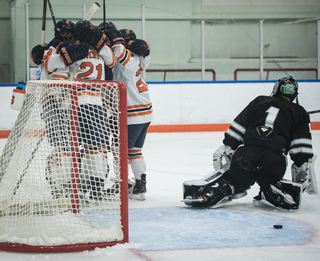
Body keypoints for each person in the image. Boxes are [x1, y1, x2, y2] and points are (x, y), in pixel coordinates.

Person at [182, 76, 315, 210]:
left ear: (276, 89)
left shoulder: (260, 101)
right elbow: (301, 147)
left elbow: (239, 127)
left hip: (246, 155)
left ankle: (218, 191)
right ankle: (270, 189)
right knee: (269, 179)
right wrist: (301, 165)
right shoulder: (299, 112)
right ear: (294, 94)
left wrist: (228, 146)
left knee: (234, 180)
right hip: (275, 160)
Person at [105, 26, 152, 200]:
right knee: (134, 150)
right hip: (144, 111)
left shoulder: (128, 59)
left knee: (120, 151)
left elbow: (119, 52)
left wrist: (115, 39)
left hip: (131, 113)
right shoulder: (140, 57)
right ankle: (140, 185)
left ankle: (120, 185)